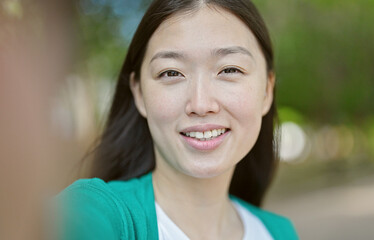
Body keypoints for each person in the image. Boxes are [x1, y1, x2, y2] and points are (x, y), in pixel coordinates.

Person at [55, 0, 298, 239]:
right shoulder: (95, 214)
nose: (201, 105)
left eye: (230, 70)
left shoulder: (279, 232)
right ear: (139, 94)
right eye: (171, 73)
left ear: (267, 90)